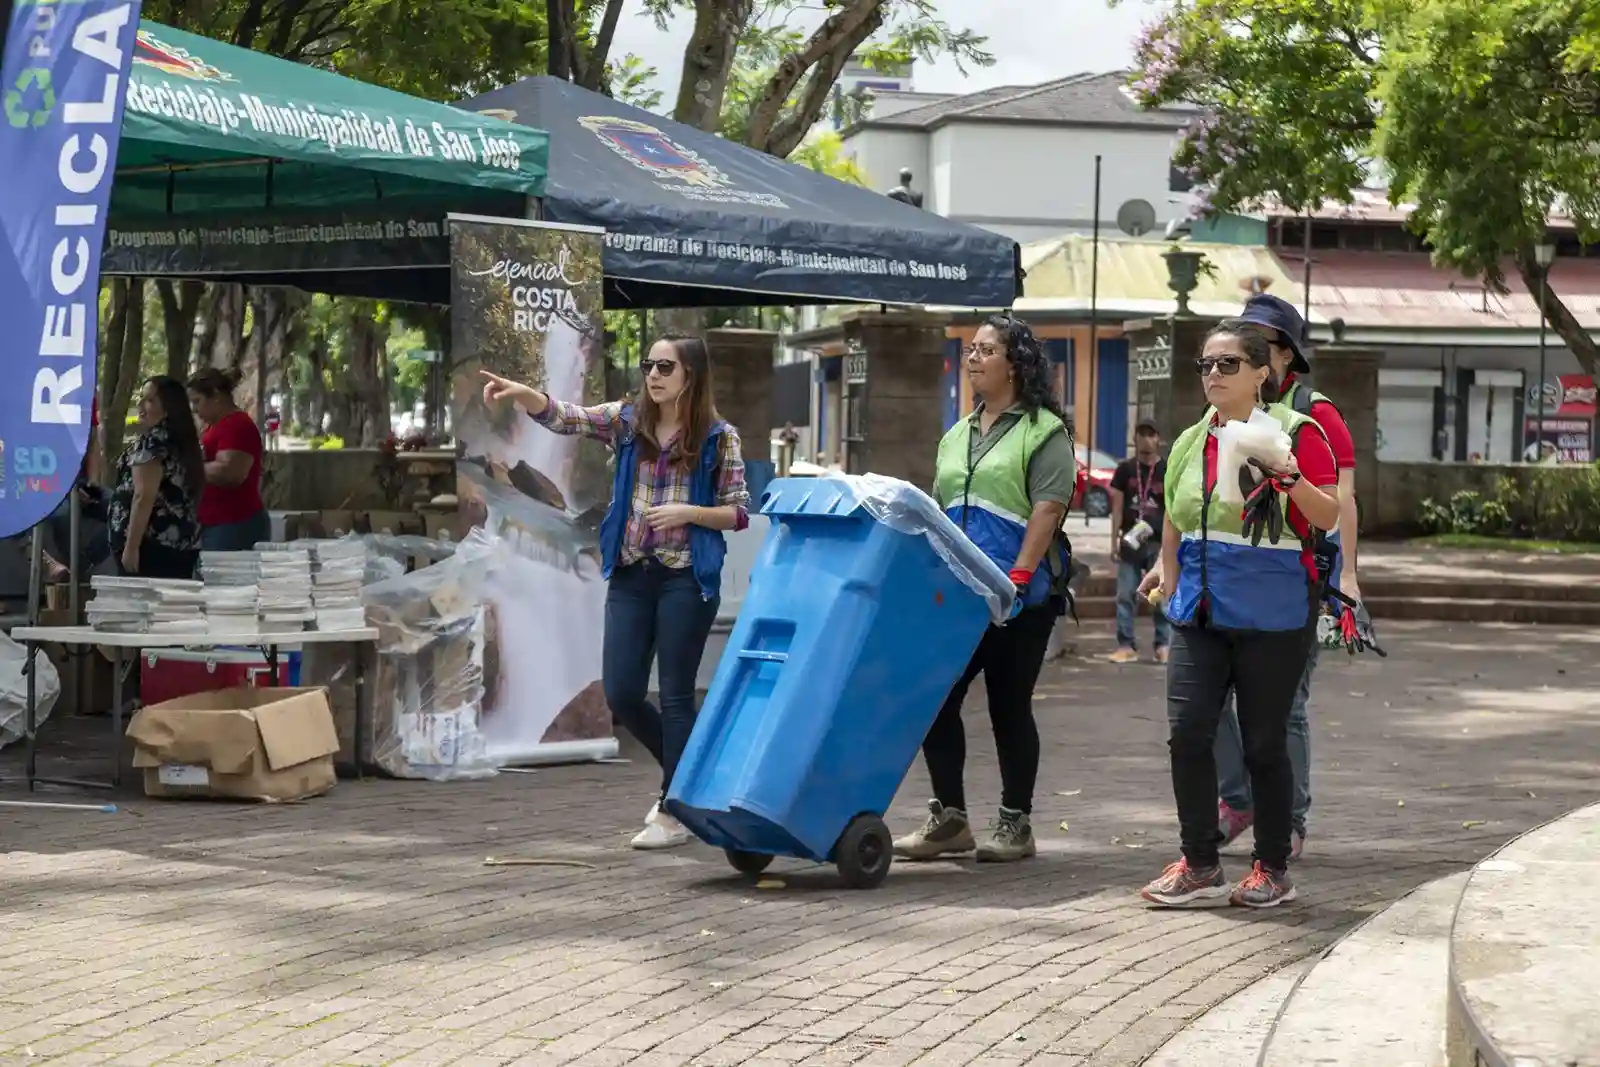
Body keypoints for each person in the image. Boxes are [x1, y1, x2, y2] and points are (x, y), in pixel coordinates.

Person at [478, 336, 750, 850]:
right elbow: (568, 417)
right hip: (630, 574)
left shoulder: (720, 437)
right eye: (649, 364)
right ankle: (693, 779)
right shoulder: (629, 421)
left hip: (685, 577)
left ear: (690, 374)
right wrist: (523, 394)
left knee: (674, 695)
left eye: (665, 366)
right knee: (623, 690)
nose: (653, 374)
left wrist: (689, 513)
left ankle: (675, 803)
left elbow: (738, 511)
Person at [1138, 320, 1341, 909]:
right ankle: (1201, 863)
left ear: (1261, 374)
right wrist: (1165, 564)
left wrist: (1291, 479)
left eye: (1228, 364)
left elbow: (1328, 516)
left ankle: (1272, 866)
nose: (1213, 375)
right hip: (1198, 606)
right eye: (1205, 364)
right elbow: (1177, 509)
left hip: (1273, 611)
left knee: (1263, 743)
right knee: (1188, 733)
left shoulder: (1295, 433)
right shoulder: (1189, 440)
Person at [893, 315, 1077, 864]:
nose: (973, 358)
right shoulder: (956, 435)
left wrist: (1018, 575)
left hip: (1021, 595)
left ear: (1016, 363)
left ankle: (1015, 823)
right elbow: (936, 510)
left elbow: (1048, 506)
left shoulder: (1044, 430)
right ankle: (950, 819)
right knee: (936, 698)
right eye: (970, 349)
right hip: (959, 595)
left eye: (986, 350)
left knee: (1008, 705)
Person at [1212, 293, 1362, 862]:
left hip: (1300, 578)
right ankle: (1238, 800)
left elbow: (1342, 503)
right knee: (1211, 700)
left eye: (1259, 346)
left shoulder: (1316, 413)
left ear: (1285, 356)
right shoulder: (1223, 412)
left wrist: (1348, 578)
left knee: (1287, 704)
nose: (1240, 358)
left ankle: (1291, 817)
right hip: (1232, 579)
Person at [108, 377, 205, 580]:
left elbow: (143, 496)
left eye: (150, 400)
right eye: (141, 398)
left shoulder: (153, 443)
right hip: (180, 545)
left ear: (169, 407)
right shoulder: (183, 442)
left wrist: (131, 547)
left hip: (151, 547)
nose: (141, 405)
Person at [187, 368, 271, 552]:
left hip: (234, 523)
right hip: (217, 523)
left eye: (197, 401)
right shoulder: (214, 426)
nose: (194, 409)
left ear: (215, 395)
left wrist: (189, 464)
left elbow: (230, 473)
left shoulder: (236, 425)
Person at [1108, 421, 1170, 664]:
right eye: (1141, 434)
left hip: (1157, 542)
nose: (1146, 439)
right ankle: (1126, 644)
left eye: (1151, 434)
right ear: (1134, 438)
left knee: (1160, 595)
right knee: (1125, 595)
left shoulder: (1167, 469)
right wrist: (1113, 539)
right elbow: (1117, 505)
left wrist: (1170, 544)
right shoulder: (1124, 470)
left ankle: (1163, 645)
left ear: (1159, 439)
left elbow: (1171, 509)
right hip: (1130, 542)